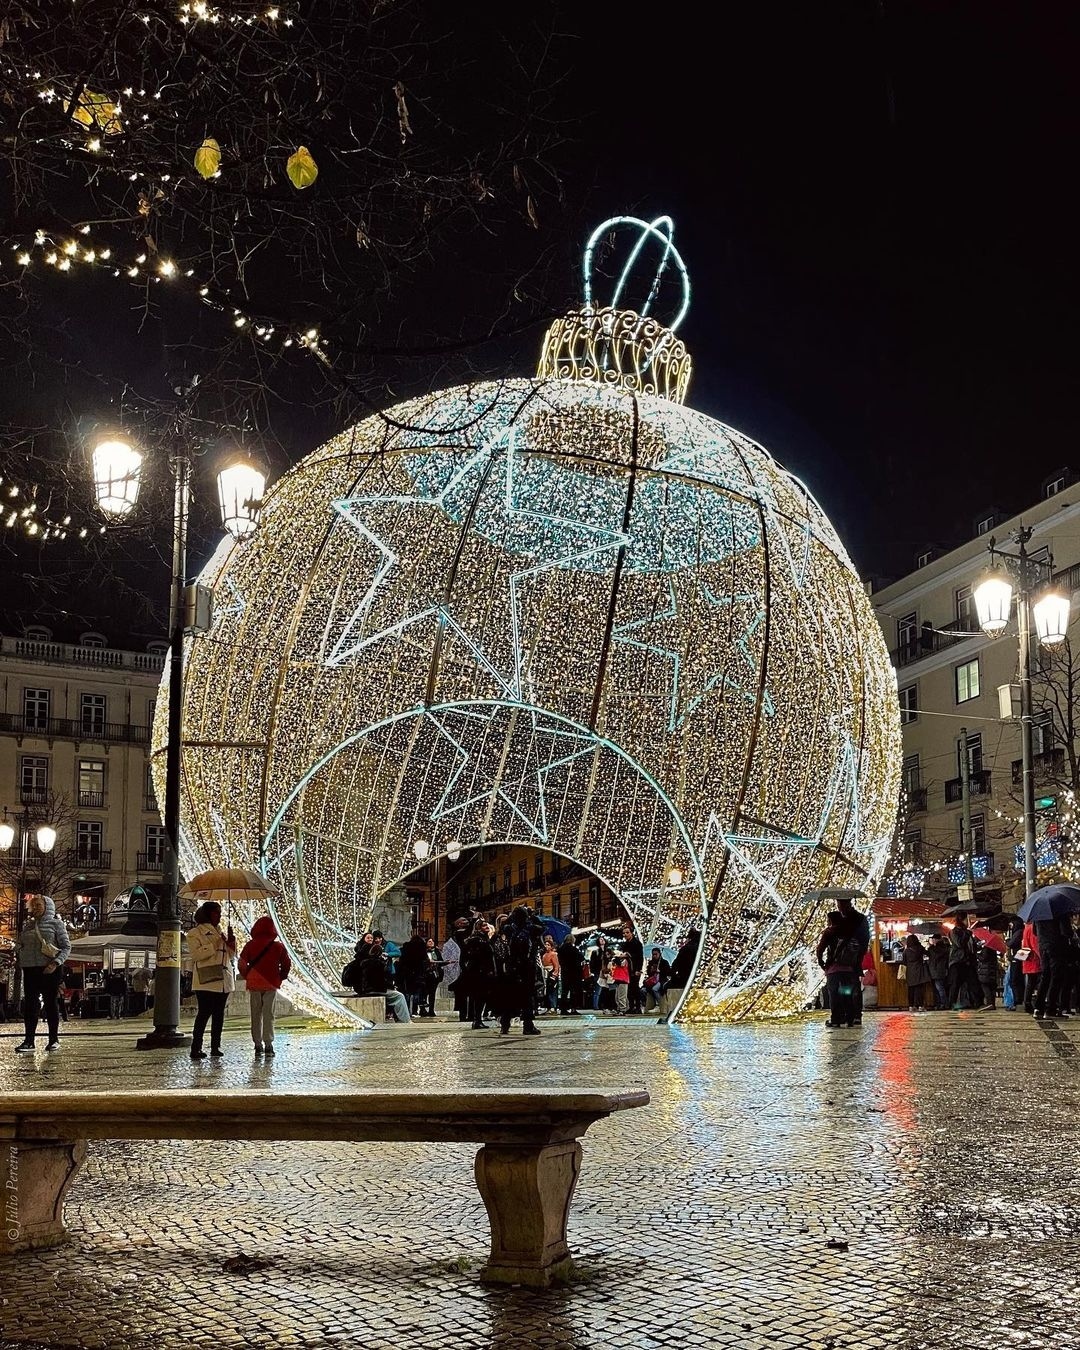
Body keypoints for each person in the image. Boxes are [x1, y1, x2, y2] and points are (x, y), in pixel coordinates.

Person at [15, 894, 71, 1053]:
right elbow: (20, 943)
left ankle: (53, 1040)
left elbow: (66, 947)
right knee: (30, 1005)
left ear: (47, 906)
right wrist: (18, 950)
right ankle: (29, 1041)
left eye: (39, 905)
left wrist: (55, 963)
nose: (36, 908)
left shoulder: (56, 924)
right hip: (30, 968)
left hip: (50, 969)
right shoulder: (28, 925)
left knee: (50, 1004)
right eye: (34, 906)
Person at [186, 901, 237, 1060]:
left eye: (220, 913)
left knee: (219, 1015)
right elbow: (196, 955)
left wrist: (231, 941)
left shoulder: (220, 931)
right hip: (206, 980)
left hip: (223, 979)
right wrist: (215, 943)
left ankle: (216, 1046)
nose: (219, 916)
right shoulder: (195, 933)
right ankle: (196, 1047)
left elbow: (230, 955)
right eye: (216, 913)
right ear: (207, 914)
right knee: (204, 1014)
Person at [238, 914, 292, 1055]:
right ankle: (268, 1044)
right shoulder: (278, 946)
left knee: (255, 1014)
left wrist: (248, 976)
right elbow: (286, 963)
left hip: (254, 983)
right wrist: (281, 976)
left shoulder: (250, 945)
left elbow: (241, 964)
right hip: (271, 983)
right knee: (269, 1014)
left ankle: (257, 1044)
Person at [498, 906, 543, 1036]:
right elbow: (542, 927)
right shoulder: (531, 928)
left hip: (512, 967)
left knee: (510, 996)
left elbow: (503, 926)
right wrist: (532, 915)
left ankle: (505, 1024)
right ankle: (528, 1025)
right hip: (527, 966)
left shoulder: (510, 929)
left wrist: (512, 916)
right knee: (527, 997)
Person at [343, 939, 411, 1023]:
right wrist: (391, 987)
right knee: (399, 996)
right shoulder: (374, 963)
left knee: (393, 995)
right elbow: (379, 982)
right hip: (373, 990)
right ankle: (405, 1021)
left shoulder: (355, 963)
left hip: (361, 990)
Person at [815, 910, 861, 1028]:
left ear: (830, 920)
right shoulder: (849, 931)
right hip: (848, 969)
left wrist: (821, 962)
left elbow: (820, 949)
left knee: (834, 993)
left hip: (833, 969)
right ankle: (849, 1019)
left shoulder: (829, 932)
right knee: (846, 993)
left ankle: (836, 1019)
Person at [835, 896, 871, 1024]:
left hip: (850, 958)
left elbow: (864, 939)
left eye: (840, 905)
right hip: (849, 958)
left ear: (847, 904)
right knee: (849, 987)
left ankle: (853, 1014)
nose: (840, 908)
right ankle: (851, 1014)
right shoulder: (858, 918)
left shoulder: (855, 919)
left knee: (851, 987)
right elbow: (865, 939)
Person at [459, 918, 496, 1030]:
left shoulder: (483, 939)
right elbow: (478, 957)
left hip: (480, 972)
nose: (487, 927)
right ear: (479, 928)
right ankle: (477, 1020)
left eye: (487, 925)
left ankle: (477, 1019)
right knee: (479, 996)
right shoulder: (477, 940)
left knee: (480, 997)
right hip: (479, 973)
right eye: (484, 926)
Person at [1034, 915, 1072, 1019]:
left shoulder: (1038, 913)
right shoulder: (1060, 912)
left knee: (1045, 976)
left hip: (1042, 946)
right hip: (1057, 946)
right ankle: (1051, 1009)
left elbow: (1035, 932)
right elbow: (1066, 931)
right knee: (1056, 977)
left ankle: (1038, 1008)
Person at [947, 914, 979, 1010]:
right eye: (966, 920)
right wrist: (967, 933)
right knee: (955, 984)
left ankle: (976, 1002)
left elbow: (971, 946)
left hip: (968, 961)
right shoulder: (954, 931)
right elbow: (960, 943)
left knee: (972, 983)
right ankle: (952, 1003)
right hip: (957, 961)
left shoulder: (967, 932)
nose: (967, 922)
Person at [398, 929, 431, 1017]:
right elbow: (425, 959)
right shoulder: (421, 948)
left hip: (407, 972)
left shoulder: (406, 947)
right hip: (418, 972)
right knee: (417, 992)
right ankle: (415, 1009)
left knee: (407, 992)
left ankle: (407, 1010)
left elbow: (402, 960)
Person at [902, 934, 931, 1011]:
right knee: (919, 989)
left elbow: (904, 962)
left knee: (911, 989)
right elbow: (928, 953)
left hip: (910, 972)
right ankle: (920, 1006)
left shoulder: (906, 951)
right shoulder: (920, 948)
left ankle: (911, 1006)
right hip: (919, 970)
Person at [621, 922, 645, 1013]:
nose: (625, 934)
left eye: (627, 932)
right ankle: (631, 1007)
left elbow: (640, 957)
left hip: (634, 969)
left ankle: (638, 1007)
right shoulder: (625, 944)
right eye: (624, 933)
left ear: (631, 933)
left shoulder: (637, 943)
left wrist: (638, 969)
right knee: (629, 989)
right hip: (626, 969)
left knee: (635, 988)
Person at [557, 934, 584, 1015]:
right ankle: (573, 1008)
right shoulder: (574, 949)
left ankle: (563, 1009)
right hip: (574, 972)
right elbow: (581, 958)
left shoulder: (561, 949)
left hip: (564, 972)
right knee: (573, 991)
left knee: (564, 991)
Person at [1020, 921, 1042, 1014]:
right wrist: (1042, 957)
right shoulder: (1032, 928)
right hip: (1034, 960)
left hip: (1028, 959)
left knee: (1030, 983)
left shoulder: (1026, 927)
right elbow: (1035, 945)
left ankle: (1027, 1003)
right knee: (1035, 982)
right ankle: (1030, 1003)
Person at [642, 947, 671, 1012]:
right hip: (652, 980)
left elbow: (668, 972)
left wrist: (660, 971)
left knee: (655, 989)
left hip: (661, 980)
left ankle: (659, 1005)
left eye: (656, 954)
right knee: (643, 990)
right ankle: (647, 1004)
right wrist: (651, 970)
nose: (654, 956)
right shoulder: (651, 963)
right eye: (653, 954)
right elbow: (648, 973)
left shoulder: (664, 962)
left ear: (659, 954)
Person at [926, 933, 950, 1010]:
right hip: (939, 970)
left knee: (939, 988)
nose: (932, 940)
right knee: (939, 988)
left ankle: (943, 1004)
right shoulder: (944, 947)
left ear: (937, 939)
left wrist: (930, 948)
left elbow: (935, 956)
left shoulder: (937, 948)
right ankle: (940, 1004)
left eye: (933, 939)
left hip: (937, 971)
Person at [975, 938, 1000, 1011]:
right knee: (992, 988)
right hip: (992, 970)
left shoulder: (986, 948)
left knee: (985, 986)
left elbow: (983, 958)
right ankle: (992, 1004)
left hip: (986, 970)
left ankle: (989, 1003)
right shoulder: (993, 949)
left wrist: (977, 955)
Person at [422, 937, 443, 1017]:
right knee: (424, 992)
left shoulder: (436, 951)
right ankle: (422, 1009)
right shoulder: (423, 952)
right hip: (425, 974)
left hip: (434, 974)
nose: (431, 943)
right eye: (429, 941)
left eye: (432, 941)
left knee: (432, 993)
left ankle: (431, 1010)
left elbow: (440, 961)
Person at [540, 934, 560, 1012]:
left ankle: (553, 1007)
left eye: (548, 945)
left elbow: (556, 966)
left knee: (553, 991)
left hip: (552, 974)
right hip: (545, 974)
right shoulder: (544, 955)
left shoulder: (554, 954)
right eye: (546, 945)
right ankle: (549, 1007)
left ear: (551, 946)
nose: (546, 946)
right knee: (548, 991)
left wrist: (554, 975)